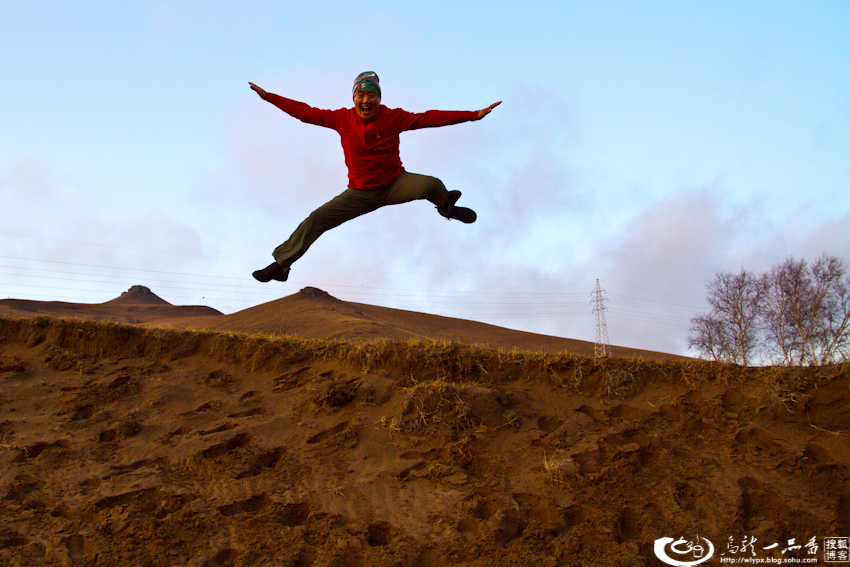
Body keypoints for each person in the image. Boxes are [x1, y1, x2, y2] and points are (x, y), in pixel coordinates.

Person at [249, 71, 501, 283]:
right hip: (359, 193)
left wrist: (472, 114)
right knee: (316, 219)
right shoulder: (340, 118)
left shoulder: (393, 117)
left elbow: (429, 118)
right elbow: (305, 112)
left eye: (372, 95)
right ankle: (281, 266)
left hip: (395, 183)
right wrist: (270, 98)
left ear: (379, 99)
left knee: (430, 184)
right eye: (361, 95)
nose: (366, 100)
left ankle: (446, 208)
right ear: (354, 98)